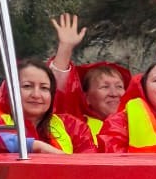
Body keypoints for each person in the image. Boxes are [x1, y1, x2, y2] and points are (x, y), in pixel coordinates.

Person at [0, 60, 93, 156]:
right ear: (10, 90)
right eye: (27, 86)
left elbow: (90, 164)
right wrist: (34, 146)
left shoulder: (72, 126)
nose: (36, 95)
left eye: (44, 88)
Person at [46, 12, 130, 143]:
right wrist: (65, 48)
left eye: (119, 86)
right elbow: (55, 94)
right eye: (105, 87)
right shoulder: (76, 125)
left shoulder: (139, 122)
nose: (114, 94)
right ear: (87, 98)